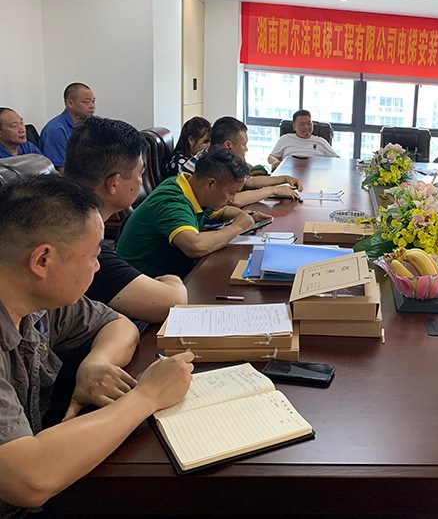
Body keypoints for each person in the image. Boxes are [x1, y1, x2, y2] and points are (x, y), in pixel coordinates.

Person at [0, 175, 193, 518]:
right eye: (92, 255)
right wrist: (147, 396)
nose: (98, 266)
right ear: (42, 260)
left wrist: (97, 362)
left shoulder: (37, 300)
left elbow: (118, 324)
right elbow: (28, 479)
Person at [64, 118, 188, 323]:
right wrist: (171, 278)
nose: (141, 181)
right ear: (114, 184)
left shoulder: (60, 213)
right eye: (140, 173)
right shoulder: (79, 244)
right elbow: (172, 304)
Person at [118, 148, 273, 279]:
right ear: (210, 184)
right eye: (231, 193)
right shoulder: (172, 201)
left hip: (170, 274)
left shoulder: (192, 189)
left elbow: (220, 212)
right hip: (138, 281)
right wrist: (238, 226)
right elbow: (195, 246)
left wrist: (241, 215)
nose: (233, 199)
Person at [181, 116, 303, 205]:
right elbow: (231, 201)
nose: (246, 149)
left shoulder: (221, 159)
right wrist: (273, 190)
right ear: (228, 145)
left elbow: (249, 181)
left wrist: (285, 178)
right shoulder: (209, 164)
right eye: (244, 144)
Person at [39, 82, 96, 171]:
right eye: (86, 102)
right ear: (70, 103)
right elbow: (61, 170)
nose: (92, 106)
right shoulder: (56, 130)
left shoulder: (89, 125)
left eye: (93, 101)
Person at [267, 109, 340, 169]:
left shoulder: (321, 141)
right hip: (289, 175)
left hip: (316, 175)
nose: (306, 127)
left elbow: (337, 160)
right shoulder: (285, 139)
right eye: (302, 124)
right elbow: (271, 157)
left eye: (309, 123)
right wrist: (276, 162)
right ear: (294, 126)